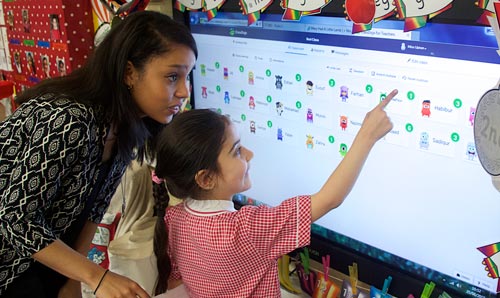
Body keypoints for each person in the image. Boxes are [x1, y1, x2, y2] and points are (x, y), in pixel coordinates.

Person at [0, 10, 197, 298]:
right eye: (172, 77)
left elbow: (91, 212)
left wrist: (72, 284)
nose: (184, 92)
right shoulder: (70, 119)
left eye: (187, 77)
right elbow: (15, 217)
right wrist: (97, 276)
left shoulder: (125, 128)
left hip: (39, 264)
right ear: (129, 73)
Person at [152, 89, 398, 297]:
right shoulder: (247, 229)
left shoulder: (174, 218)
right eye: (237, 151)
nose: (250, 154)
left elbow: (176, 280)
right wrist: (367, 136)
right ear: (206, 178)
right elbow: (329, 199)